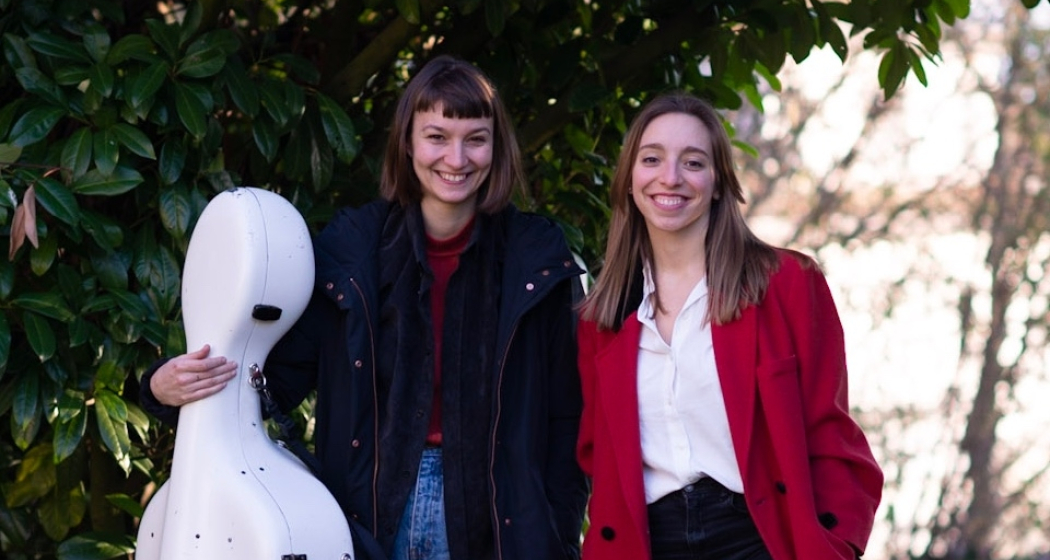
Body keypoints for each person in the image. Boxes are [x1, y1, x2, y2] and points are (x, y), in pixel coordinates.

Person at [140, 55, 589, 560]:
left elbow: (567, 418)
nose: (457, 159)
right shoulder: (354, 249)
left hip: (497, 517)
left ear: (496, 146)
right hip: (367, 516)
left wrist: (556, 537)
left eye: (476, 139)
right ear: (407, 142)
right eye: (437, 136)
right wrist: (163, 386)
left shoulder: (535, 256)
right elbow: (271, 380)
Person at [574, 92, 883, 560]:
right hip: (651, 543)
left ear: (718, 183)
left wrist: (832, 546)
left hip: (758, 538)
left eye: (693, 162)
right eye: (652, 159)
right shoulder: (604, 321)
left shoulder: (787, 287)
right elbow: (596, 458)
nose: (670, 177)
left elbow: (832, 436)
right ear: (630, 180)